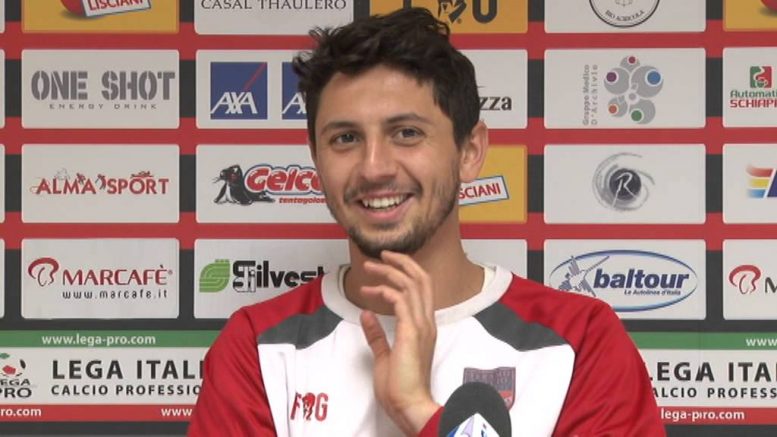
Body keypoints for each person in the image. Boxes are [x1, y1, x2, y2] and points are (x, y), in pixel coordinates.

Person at [188, 7, 665, 436]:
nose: (374, 167)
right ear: (316, 157)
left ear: (469, 151)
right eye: (345, 138)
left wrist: (417, 410)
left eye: (407, 133)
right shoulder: (257, 348)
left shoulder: (580, 341)